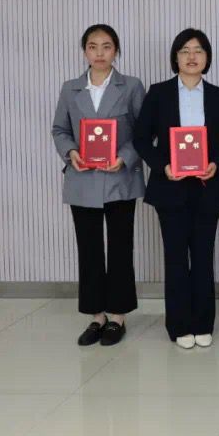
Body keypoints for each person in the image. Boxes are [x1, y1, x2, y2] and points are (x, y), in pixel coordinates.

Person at [133, 28, 219, 349]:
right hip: (170, 188)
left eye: (198, 50)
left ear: (207, 58)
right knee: (175, 257)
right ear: (175, 57)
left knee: (203, 257)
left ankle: (203, 323)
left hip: (206, 186)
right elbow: (140, 138)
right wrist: (162, 165)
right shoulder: (159, 93)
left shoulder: (218, 95)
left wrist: (216, 164)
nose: (192, 56)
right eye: (185, 51)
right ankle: (179, 325)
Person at [51, 24, 145, 347]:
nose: (100, 53)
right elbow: (60, 129)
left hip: (120, 178)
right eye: (93, 46)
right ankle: (96, 316)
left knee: (120, 247)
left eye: (107, 46)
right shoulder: (71, 89)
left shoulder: (131, 86)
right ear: (85, 51)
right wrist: (71, 152)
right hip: (83, 179)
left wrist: (124, 157)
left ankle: (117, 316)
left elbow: (143, 132)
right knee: (89, 249)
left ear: (116, 51)